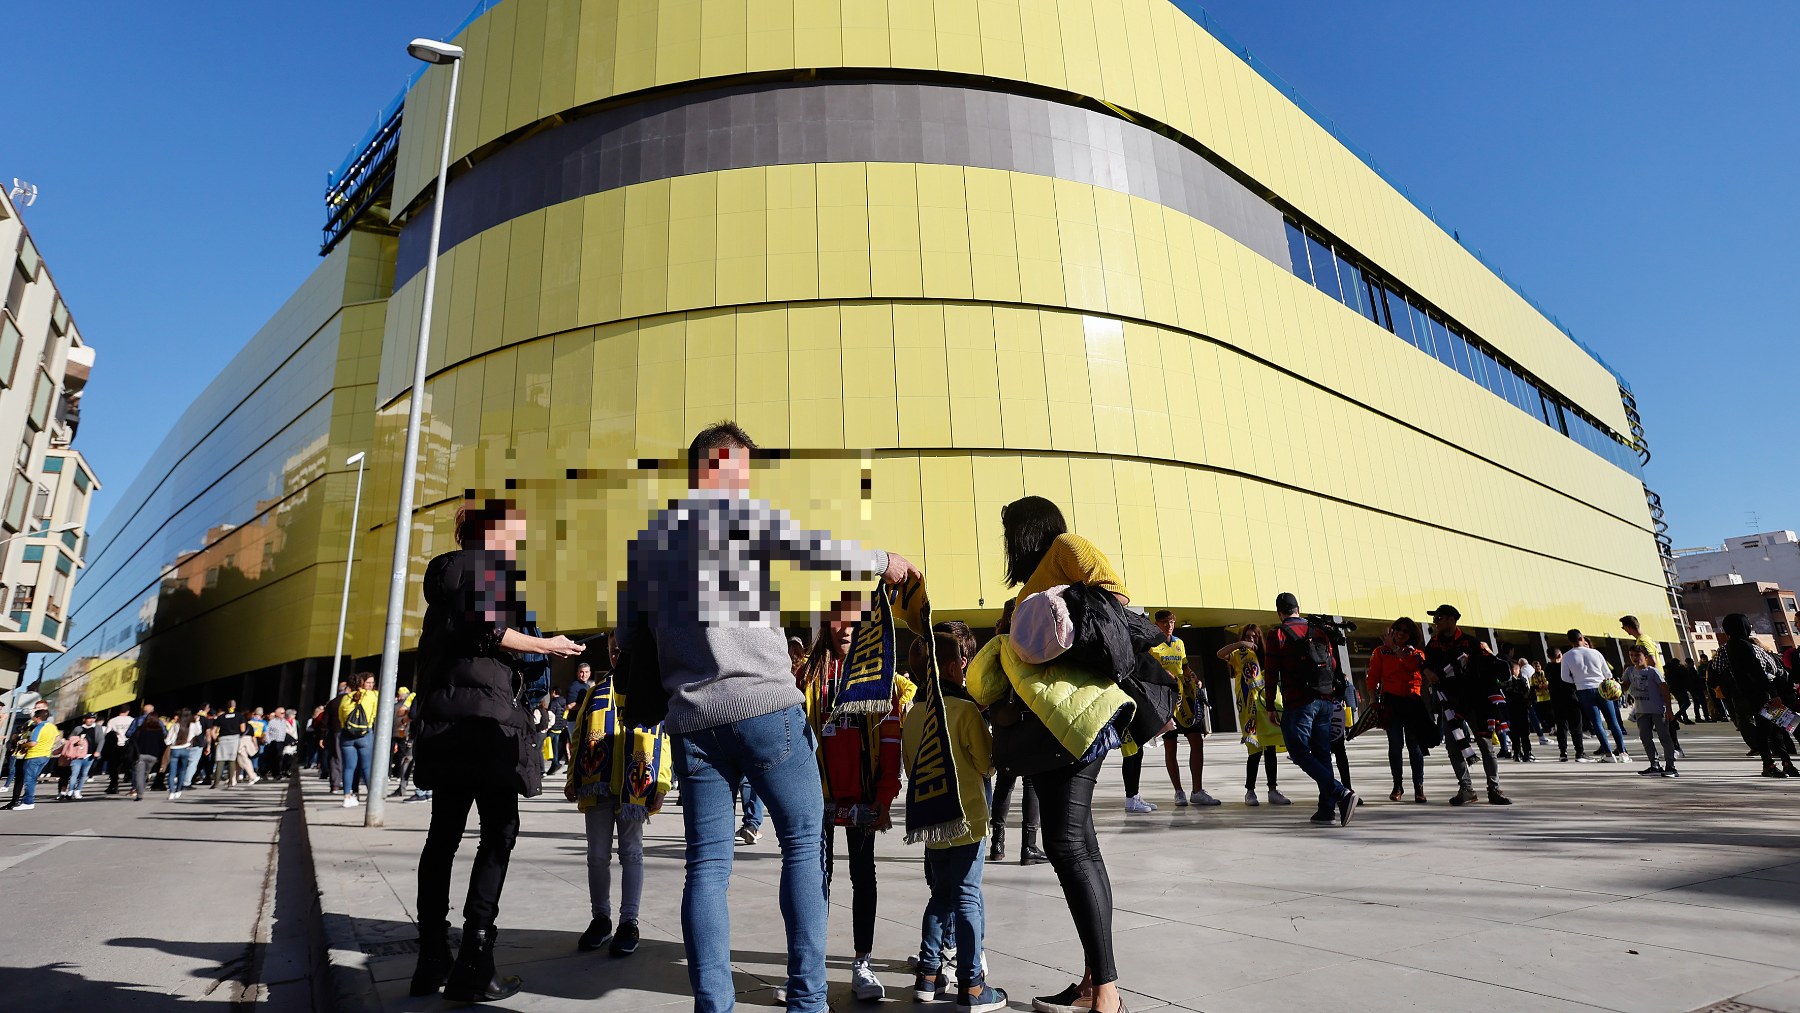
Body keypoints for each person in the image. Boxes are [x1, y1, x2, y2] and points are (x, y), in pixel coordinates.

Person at [614, 421, 917, 1013]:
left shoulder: (647, 543)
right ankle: (807, 999)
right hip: (766, 705)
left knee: (706, 866)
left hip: (694, 722)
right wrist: (884, 560)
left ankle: (714, 1005)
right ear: (717, 465)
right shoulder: (738, 512)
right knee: (804, 845)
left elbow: (628, 641)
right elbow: (813, 546)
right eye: (742, 469)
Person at [407, 497, 586, 1002]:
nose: (517, 541)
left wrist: (525, 657)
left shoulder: (444, 580)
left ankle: (431, 956)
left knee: (443, 835)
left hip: (445, 723)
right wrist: (547, 645)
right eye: (513, 532)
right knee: (499, 830)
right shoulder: (487, 570)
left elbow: (469, 642)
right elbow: (488, 631)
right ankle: (475, 959)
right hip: (485, 726)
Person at [978, 495, 1136, 1013]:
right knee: (1080, 846)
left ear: (1027, 529)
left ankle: (1107, 997)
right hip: (1045, 723)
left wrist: (1043, 627)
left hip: (1077, 718)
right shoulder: (1030, 582)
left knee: (1067, 845)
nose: (1006, 540)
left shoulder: (1067, 546)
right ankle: (1094, 981)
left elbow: (1114, 599)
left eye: (1009, 529)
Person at [797, 596, 910, 1002]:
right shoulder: (808, 675)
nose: (844, 630)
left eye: (852, 623)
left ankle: (863, 963)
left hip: (863, 800)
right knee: (814, 880)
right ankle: (810, 969)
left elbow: (891, 738)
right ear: (825, 625)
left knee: (863, 878)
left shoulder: (879, 675)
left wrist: (884, 796)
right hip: (816, 800)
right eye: (837, 622)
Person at [904, 630, 1007, 1012]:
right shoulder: (965, 711)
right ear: (952, 667)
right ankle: (972, 985)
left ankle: (928, 976)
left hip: (933, 820)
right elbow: (986, 764)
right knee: (966, 898)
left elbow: (910, 766)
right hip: (967, 820)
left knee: (940, 897)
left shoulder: (913, 713)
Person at [565, 637, 672, 959]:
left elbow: (662, 734)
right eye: (612, 649)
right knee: (597, 855)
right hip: (597, 782)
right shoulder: (596, 689)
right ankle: (601, 918)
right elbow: (580, 734)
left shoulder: (649, 686)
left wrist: (662, 783)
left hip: (634, 785)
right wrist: (573, 777)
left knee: (632, 854)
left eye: (621, 648)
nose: (616, 654)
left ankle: (629, 922)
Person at [1267, 593, 1358, 826]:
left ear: (1280, 612)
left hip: (1299, 702)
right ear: (1298, 608)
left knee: (1298, 752)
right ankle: (1326, 809)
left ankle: (1340, 794)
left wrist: (1270, 705)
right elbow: (1333, 664)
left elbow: (1270, 672)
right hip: (1325, 699)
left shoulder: (1277, 634)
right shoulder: (1319, 630)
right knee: (1321, 752)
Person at [1423, 606, 1512, 805]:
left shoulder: (1471, 642)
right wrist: (1428, 672)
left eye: (1439, 617)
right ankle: (1466, 789)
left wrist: (1489, 655)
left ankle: (1494, 789)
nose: (1435, 621)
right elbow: (1425, 663)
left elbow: (1500, 672)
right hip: (1449, 704)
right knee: (1453, 748)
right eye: (1435, 618)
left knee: (1485, 746)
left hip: (1475, 702)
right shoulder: (1433, 644)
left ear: (1452, 620)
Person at [1714, 613, 1800, 778]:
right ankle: (1771, 764)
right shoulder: (1743, 645)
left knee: (1774, 729)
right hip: (1762, 695)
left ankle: (1783, 763)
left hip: (1753, 694)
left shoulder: (1731, 645)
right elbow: (1757, 671)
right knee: (1776, 728)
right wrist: (1773, 693)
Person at [1219, 625, 1289, 807]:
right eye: (1248, 636)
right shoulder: (1237, 654)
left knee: (1271, 749)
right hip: (1249, 708)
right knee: (1255, 751)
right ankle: (1250, 791)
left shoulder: (1266, 656)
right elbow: (1220, 654)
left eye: (1255, 636)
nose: (1252, 639)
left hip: (1266, 704)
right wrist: (1240, 643)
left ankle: (1273, 790)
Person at [1154, 611, 1217, 807]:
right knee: (1170, 746)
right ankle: (1178, 791)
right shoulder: (1152, 644)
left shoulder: (1179, 643)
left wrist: (1194, 678)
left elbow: (1185, 667)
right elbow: (1147, 669)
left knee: (1196, 741)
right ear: (1156, 624)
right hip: (1166, 699)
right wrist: (1163, 673)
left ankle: (1197, 790)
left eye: (1172, 622)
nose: (1169, 625)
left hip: (1186, 699)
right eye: (1165, 622)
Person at [1369, 617, 1429, 802]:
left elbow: (1412, 666)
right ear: (1392, 631)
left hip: (1412, 703)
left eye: (1405, 631)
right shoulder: (1380, 651)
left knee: (1415, 747)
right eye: (1398, 629)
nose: (1401, 633)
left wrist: (1394, 649)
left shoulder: (1417, 653)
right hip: (1391, 703)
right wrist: (1373, 701)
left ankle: (1419, 787)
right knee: (1395, 747)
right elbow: (1373, 677)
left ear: (1411, 635)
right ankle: (1397, 786)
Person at [1563, 631, 1629, 762]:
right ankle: (1623, 752)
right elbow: (1607, 672)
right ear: (1581, 637)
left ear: (1569, 641)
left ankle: (1609, 754)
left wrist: (1578, 681)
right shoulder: (1595, 653)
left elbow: (1565, 677)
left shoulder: (1567, 656)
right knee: (1613, 721)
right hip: (1601, 687)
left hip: (1583, 690)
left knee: (1597, 723)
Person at [1622, 645, 1678, 777]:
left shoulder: (1653, 672)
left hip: (1657, 710)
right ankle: (1654, 764)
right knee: (1645, 738)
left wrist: (1669, 709)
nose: (1634, 658)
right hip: (1641, 711)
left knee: (1664, 737)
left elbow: (1664, 689)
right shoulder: (1630, 671)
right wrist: (1613, 685)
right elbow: (1624, 686)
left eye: (1637, 655)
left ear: (1645, 657)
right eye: (1631, 656)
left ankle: (1671, 766)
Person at [333, 673, 379, 807]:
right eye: (369, 682)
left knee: (348, 767)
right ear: (363, 683)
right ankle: (371, 795)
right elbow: (376, 713)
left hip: (347, 736)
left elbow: (341, 717)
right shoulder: (373, 696)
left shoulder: (346, 698)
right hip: (365, 734)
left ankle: (347, 796)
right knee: (366, 766)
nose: (371, 685)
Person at [4, 709, 60, 810]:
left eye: (34, 717)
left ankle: (28, 802)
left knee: (29, 779)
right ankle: (26, 800)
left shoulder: (38, 727)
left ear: (38, 717)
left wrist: (24, 744)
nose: (33, 719)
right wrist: (47, 745)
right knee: (33, 779)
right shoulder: (52, 727)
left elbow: (33, 743)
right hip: (45, 755)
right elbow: (57, 738)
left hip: (34, 755)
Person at [1543, 648, 1584, 762]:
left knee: (1561, 727)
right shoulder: (1565, 667)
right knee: (1576, 726)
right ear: (1560, 654)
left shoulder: (1547, 669)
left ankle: (1563, 752)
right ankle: (1579, 752)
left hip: (1556, 701)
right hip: (1570, 699)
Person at [55, 713, 100, 801]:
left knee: (83, 774)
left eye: (93, 718)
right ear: (84, 719)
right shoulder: (78, 728)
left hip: (89, 756)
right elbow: (69, 741)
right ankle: (68, 791)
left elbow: (100, 740)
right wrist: (75, 743)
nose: (91, 720)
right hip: (75, 756)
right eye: (89, 718)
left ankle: (77, 790)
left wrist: (98, 751)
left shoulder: (97, 728)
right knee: (72, 774)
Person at [164, 709, 207, 798]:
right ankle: (179, 789)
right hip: (186, 749)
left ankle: (171, 791)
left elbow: (168, 740)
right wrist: (197, 722)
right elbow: (198, 732)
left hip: (174, 749)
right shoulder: (191, 725)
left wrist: (169, 743)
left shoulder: (175, 725)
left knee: (172, 772)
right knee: (182, 770)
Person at [129, 710, 166, 802]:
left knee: (139, 775)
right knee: (146, 773)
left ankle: (139, 794)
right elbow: (162, 744)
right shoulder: (159, 730)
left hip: (140, 755)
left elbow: (132, 740)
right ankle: (142, 786)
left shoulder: (140, 729)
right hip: (153, 756)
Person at [1503, 659, 1536, 762]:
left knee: (1514, 733)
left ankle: (1517, 753)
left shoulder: (1505, 683)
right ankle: (1527, 753)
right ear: (1516, 669)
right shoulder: (1521, 681)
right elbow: (1526, 695)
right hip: (1521, 709)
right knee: (1524, 733)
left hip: (1511, 710)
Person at [211, 701, 248, 788]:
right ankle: (231, 781)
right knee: (232, 759)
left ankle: (216, 782)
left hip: (222, 738)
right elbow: (243, 729)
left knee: (220, 759)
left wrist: (216, 739)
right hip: (234, 738)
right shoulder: (239, 716)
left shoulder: (221, 717)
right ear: (235, 706)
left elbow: (213, 731)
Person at [103, 705, 133, 794]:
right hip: (128, 744)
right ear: (128, 711)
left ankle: (114, 785)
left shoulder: (112, 720)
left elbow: (107, 733)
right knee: (130, 765)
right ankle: (132, 785)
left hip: (116, 745)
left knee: (114, 767)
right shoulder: (132, 720)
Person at [263, 707, 295, 778]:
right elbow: (267, 732)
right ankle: (271, 773)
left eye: (284, 713)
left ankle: (277, 773)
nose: (283, 714)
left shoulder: (284, 721)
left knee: (279, 758)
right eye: (282, 713)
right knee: (274, 758)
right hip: (274, 742)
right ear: (277, 714)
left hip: (282, 742)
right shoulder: (272, 722)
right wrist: (268, 741)